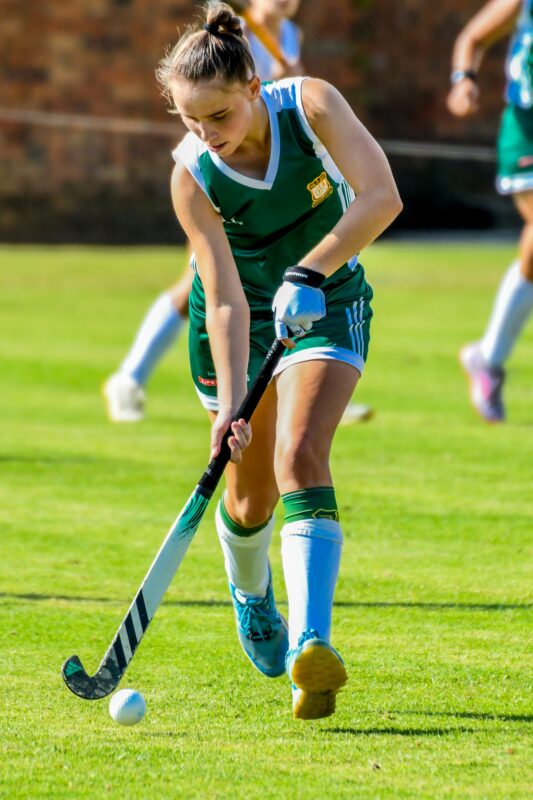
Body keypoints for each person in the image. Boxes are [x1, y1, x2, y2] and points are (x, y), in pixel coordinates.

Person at [155, 2, 401, 719]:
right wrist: (230, 406)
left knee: (299, 454)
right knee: (248, 496)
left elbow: (381, 198)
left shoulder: (314, 105)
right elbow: (224, 297)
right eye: (187, 121)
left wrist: (312, 272)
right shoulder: (193, 175)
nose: (206, 135)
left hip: (324, 298)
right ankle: (250, 591)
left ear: (253, 88)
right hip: (235, 321)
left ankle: (309, 646)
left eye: (218, 117)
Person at [103, 0, 304, 422]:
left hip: (273, 182)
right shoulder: (233, 37)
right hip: (228, 185)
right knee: (197, 283)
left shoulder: (289, 36)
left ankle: (302, 383)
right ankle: (129, 376)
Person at [448, 0, 533, 422]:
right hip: (527, 129)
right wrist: (464, 80)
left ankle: (488, 357)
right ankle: (488, 359)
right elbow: (473, 38)